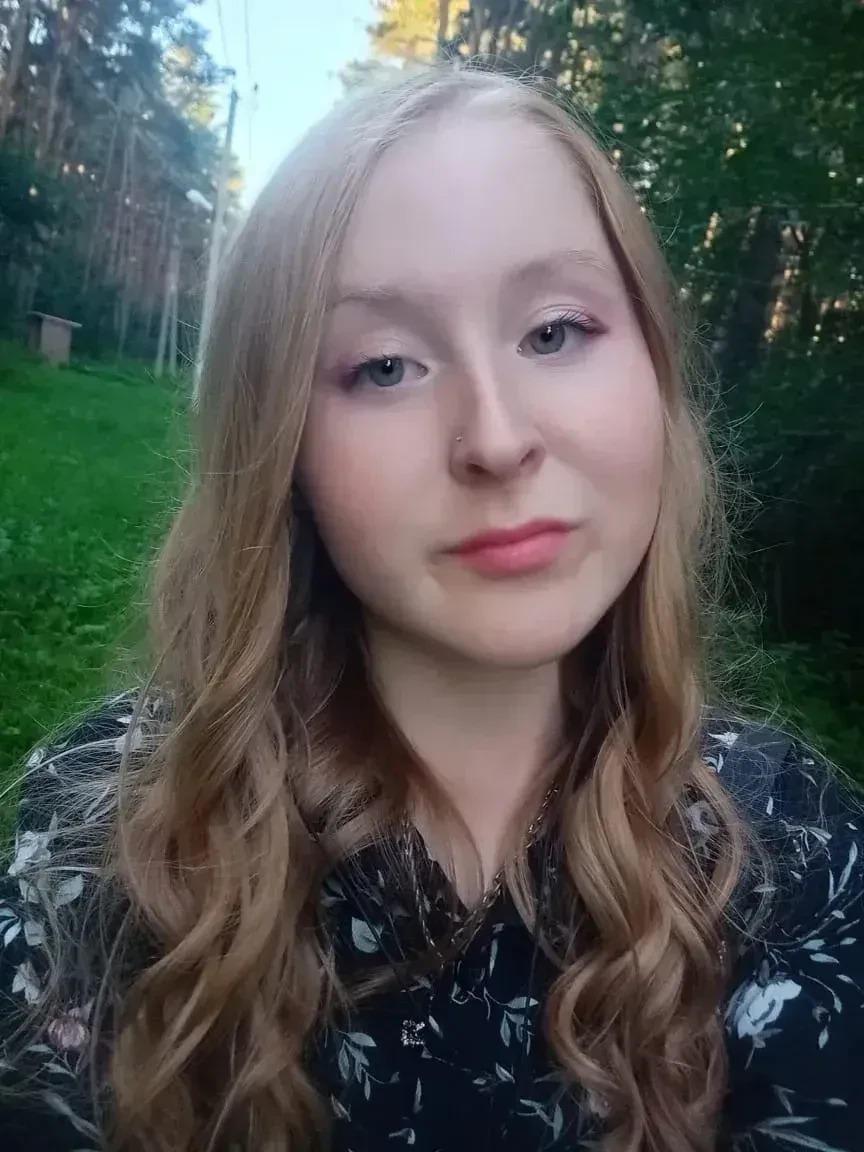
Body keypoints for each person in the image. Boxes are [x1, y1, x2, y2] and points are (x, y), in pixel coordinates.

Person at [0, 65, 861, 1152]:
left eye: (555, 332)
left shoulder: (793, 849)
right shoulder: (114, 833)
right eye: (385, 366)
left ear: (655, 367)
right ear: (279, 445)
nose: (496, 440)